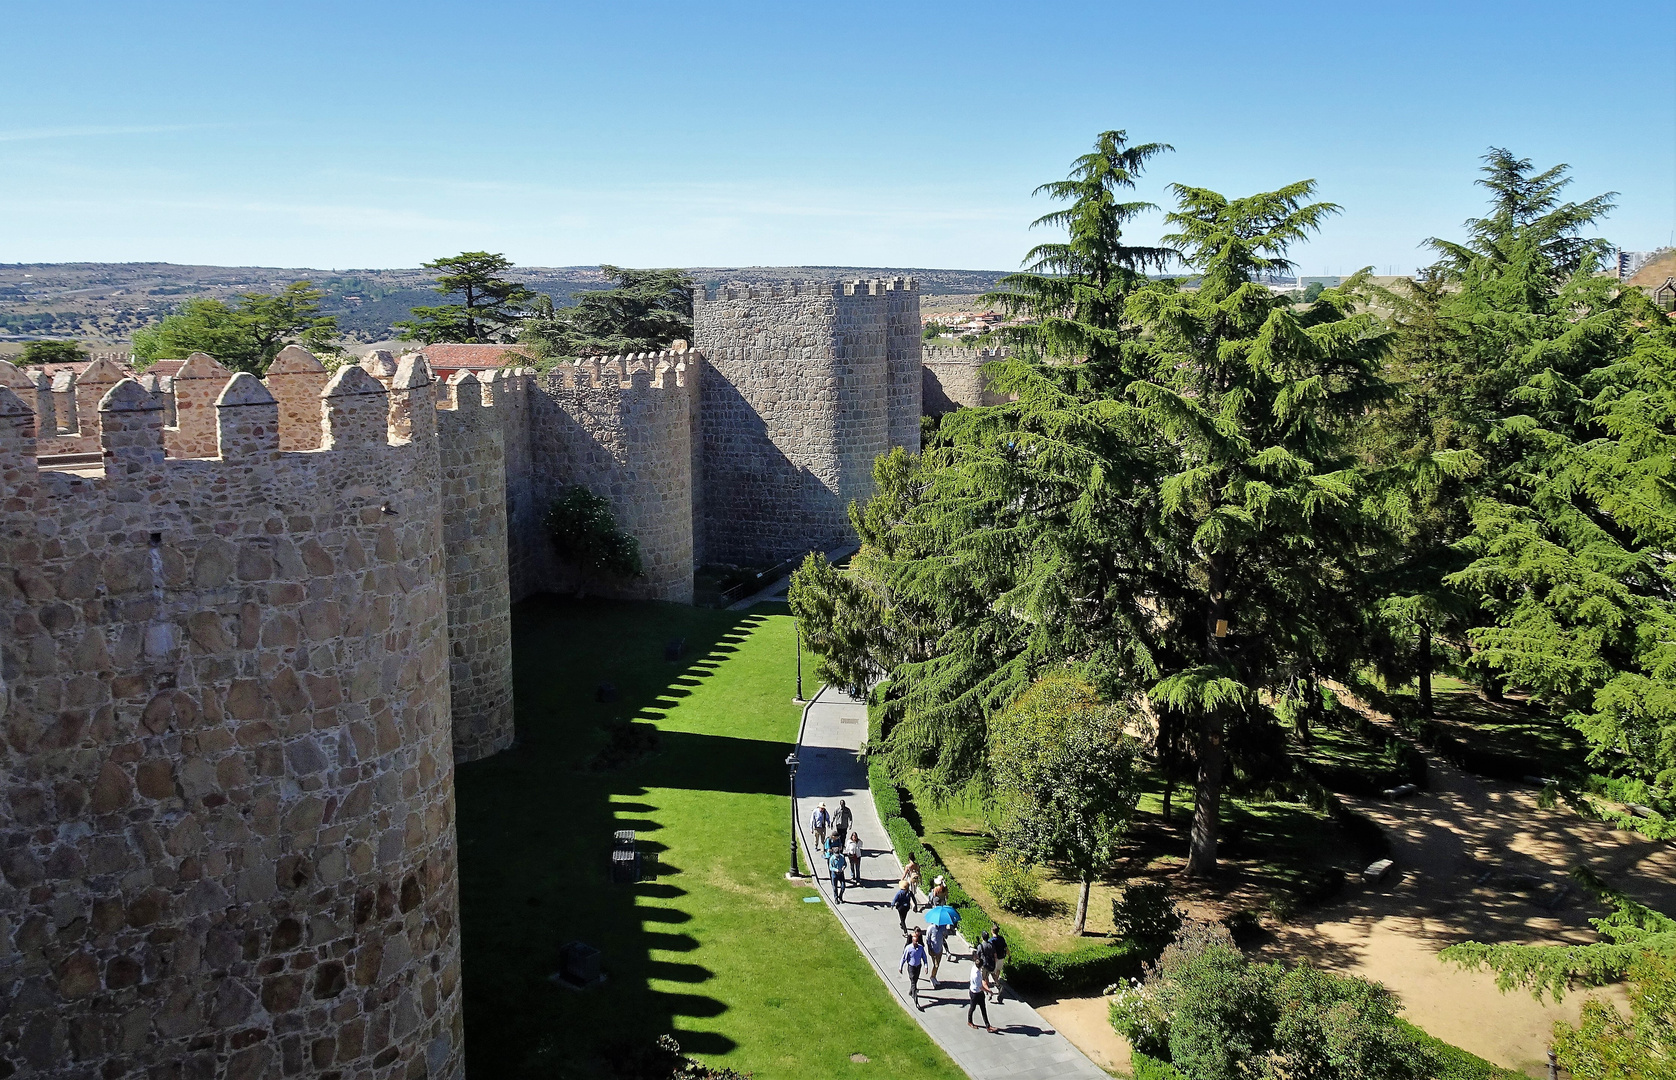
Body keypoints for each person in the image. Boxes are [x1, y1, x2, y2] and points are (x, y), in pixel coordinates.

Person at [899, 929, 928, 1009]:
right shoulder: (908, 948)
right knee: (913, 983)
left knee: (915, 980)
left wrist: (926, 966)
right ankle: (916, 1000)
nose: (916, 943)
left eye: (917, 942)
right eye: (915, 942)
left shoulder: (921, 948)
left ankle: (911, 991)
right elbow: (904, 958)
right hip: (911, 967)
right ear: (912, 941)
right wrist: (900, 967)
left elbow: (924, 957)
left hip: (918, 966)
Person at [966, 960, 997, 1032]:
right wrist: (989, 991)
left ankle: (988, 1026)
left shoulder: (974, 967)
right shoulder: (976, 975)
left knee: (983, 1008)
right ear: (981, 966)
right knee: (972, 1008)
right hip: (975, 993)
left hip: (978, 992)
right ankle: (970, 1021)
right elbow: (981, 987)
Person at [988, 924, 1009, 1003]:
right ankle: (997, 982)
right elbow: (1006, 948)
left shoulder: (991, 940)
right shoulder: (1002, 939)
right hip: (1002, 958)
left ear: (992, 931)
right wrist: (1009, 956)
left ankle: (998, 984)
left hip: (995, 959)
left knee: (992, 972)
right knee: (998, 970)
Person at [925, 919, 947, 986]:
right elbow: (927, 939)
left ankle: (934, 977)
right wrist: (929, 949)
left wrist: (944, 934)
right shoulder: (930, 928)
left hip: (940, 949)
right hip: (933, 949)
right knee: (936, 965)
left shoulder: (943, 927)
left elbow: (946, 936)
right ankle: (932, 977)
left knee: (937, 965)